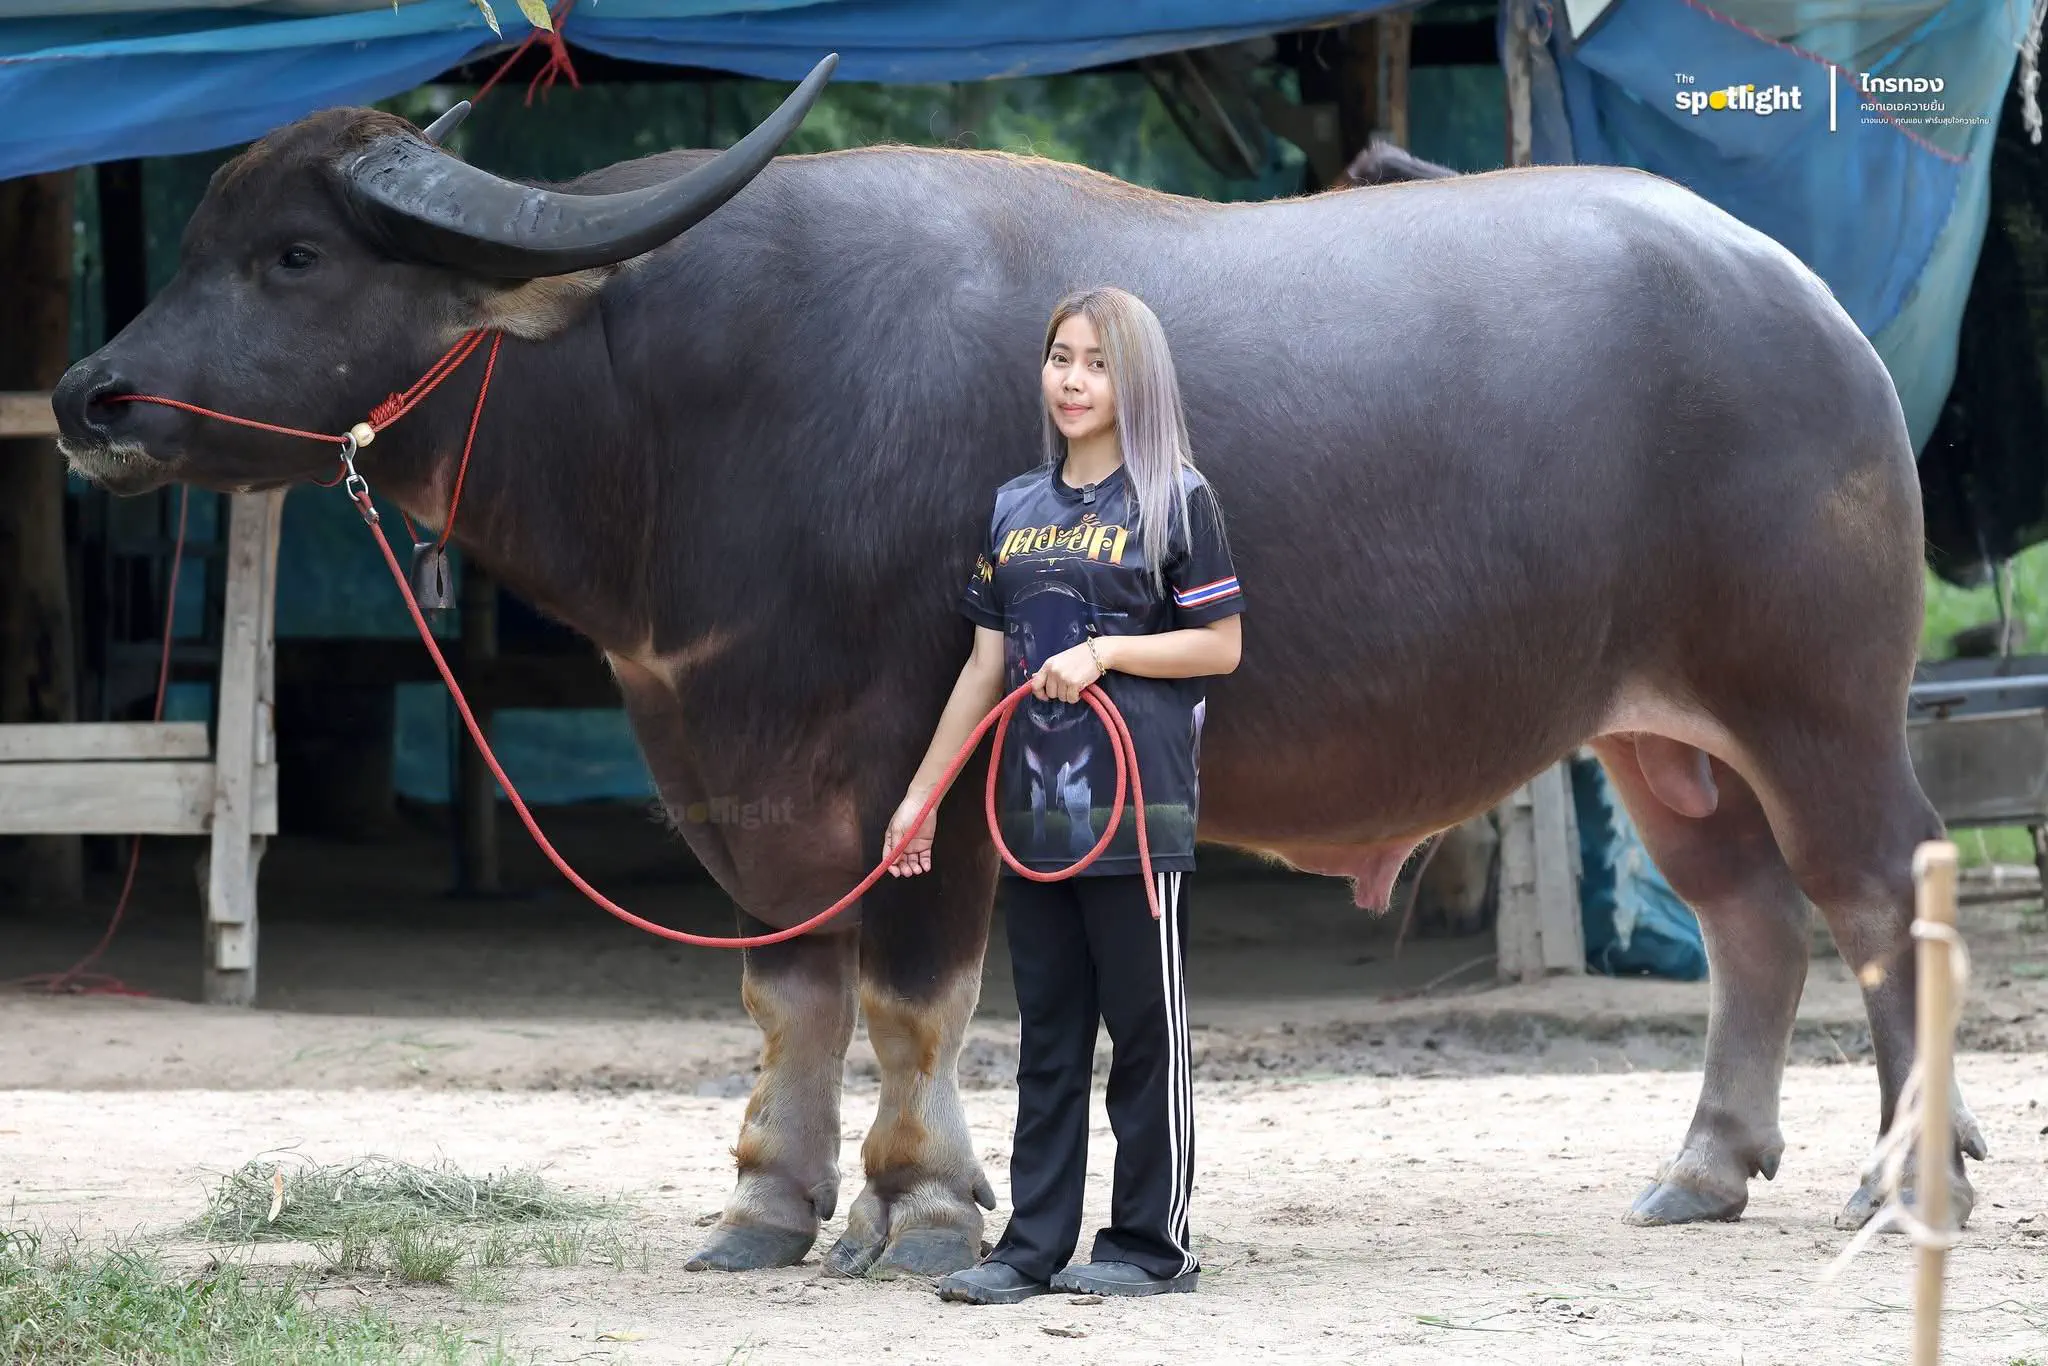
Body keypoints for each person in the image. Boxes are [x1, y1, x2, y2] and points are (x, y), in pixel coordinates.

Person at [882, 285, 1245, 1304]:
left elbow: (1220, 643)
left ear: (1134, 381)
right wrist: (923, 795)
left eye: (1094, 361)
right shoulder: (1013, 507)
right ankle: (1031, 1246)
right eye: (1059, 356)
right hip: (1033, 817)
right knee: (1046, 1038)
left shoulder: (1178, 498)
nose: (1073, 379)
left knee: (1144, 1034)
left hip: (1139, 812)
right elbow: (979, 669)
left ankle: (1148, 1245)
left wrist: (1107, 652)